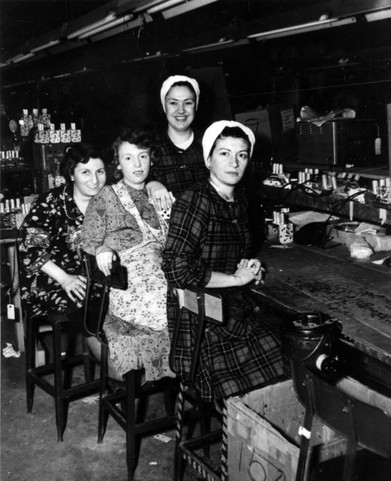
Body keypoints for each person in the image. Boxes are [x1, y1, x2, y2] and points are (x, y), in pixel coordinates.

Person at [162, 120, 284, 402]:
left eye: (241, 155)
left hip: (230, 305)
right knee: (278, 358)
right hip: (199, 318)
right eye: (224, 153)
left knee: (290, 345)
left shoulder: (238, 199)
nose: (234, 162)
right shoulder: (196, 200)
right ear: (208, 159)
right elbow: (175, 268)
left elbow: (230, 253)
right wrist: (234, 279)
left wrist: (248, 266)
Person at [80, 128, 175, 381]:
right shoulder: (106, 197)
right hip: (129, 284)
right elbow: (87, 240)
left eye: (143, 157)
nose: (137, 164)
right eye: (129, 158)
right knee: (170, 305)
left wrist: (158, 186)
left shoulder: (160, 195)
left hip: (164, 274)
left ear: (151, 159)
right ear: (118, 163)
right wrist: (102, 249)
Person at [19, 142, 107, 318]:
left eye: (100, 171)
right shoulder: (51, 202)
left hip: (95, 280)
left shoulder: (108, 202)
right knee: (91, 309)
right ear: (71, 175)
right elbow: (31, 250)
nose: (95, 180)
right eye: (85, 172)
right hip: (54, 280)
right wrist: (64, 278)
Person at [147, 75, 208, 204]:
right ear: (165, 107)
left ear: (195, 106)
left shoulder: (210, 143)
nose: (181, 110)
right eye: (173, 103)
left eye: (188, 103)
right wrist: (151, 184)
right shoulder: (149, 147)